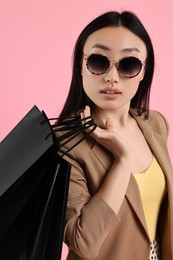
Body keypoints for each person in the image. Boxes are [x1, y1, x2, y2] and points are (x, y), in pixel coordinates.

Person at [56, 11, 173, 260]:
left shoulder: (155, 124)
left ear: (144, 71)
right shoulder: (64, 144)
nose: (111, 77)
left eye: (128, 65)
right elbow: (83, 242)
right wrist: (122, 159)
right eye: (98, 62)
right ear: (81, 65)